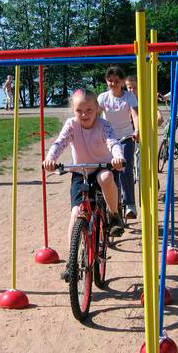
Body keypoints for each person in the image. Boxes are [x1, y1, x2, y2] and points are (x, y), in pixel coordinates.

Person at [43, 89, 125, 281]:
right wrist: (50, 159)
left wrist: (118, 157)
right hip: (81, 172)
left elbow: (113, 142)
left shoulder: (104, 125)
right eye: (79, 110)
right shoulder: (71, 125)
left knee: (106, 179)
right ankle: (72, 261)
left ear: (97, 109)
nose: (84, 114)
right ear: (73, 110)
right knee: (75, 213)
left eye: (89, 110)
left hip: (104, 167)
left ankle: (113, 215)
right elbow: (60, 143)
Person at [98, 66, 139, 219]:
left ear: (122, 81)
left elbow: (135, 114)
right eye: (110, 81)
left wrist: (137, 130)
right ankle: (111, 206)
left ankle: (129, 204)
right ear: (106, 81)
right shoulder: (102, 98)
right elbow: (95, 116)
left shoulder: (129, 97)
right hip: (108, 139)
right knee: (108, 172)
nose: (113, 84)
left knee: (125, 169)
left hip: (126, 138)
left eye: (117, 81)